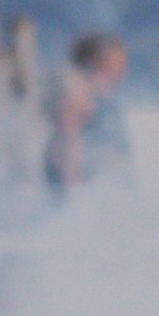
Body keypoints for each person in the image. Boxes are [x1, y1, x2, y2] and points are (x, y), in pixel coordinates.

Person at [45, 31, 132, 196]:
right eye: (117, 61)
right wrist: (75, 198)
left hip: (103, 196)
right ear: (97, 62)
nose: (124, 68)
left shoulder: (102, 98)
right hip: (82, 196)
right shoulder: (78, 97)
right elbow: (68, 146)